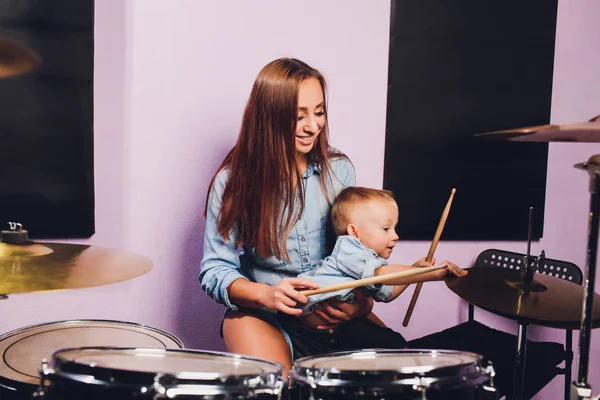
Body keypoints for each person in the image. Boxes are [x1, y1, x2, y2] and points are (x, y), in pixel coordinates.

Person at [200, 57, 376, 375]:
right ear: (269, 118)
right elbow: (215, 269)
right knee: (280, 387)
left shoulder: (340, 170)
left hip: (328, 310)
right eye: (299, 116)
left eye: (319, 111)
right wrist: (267, 295)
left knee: (397, 370)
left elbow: (353, 253)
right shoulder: (231, 181)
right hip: (262, 313)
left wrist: (363, 301)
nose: (313, 126)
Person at [277, 186, 468, 359]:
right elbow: (381, 274)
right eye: (386, 228)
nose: (395, 236)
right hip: (302, 332)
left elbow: (388, 293)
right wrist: (431, 274)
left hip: (336, 330)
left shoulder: (367, 262)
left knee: (391, 343)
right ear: (354, 232)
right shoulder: (348, 247)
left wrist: (415, 271)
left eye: (394, 228)